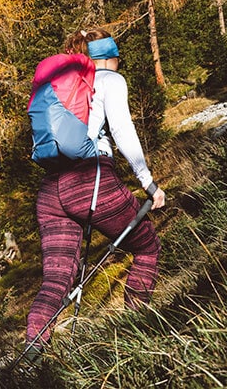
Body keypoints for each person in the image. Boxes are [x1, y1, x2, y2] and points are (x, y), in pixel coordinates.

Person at [24, 28, 166, 356]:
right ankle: (136, 337)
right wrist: (147, 181)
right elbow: (122, 129)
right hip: (90, 179)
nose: (119, 65)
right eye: (117, 59)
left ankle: (31, 359)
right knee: (147, 248)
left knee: (56, 279)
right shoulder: (109, 79)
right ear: (109, 57)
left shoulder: (63, 85)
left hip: (51, 188)